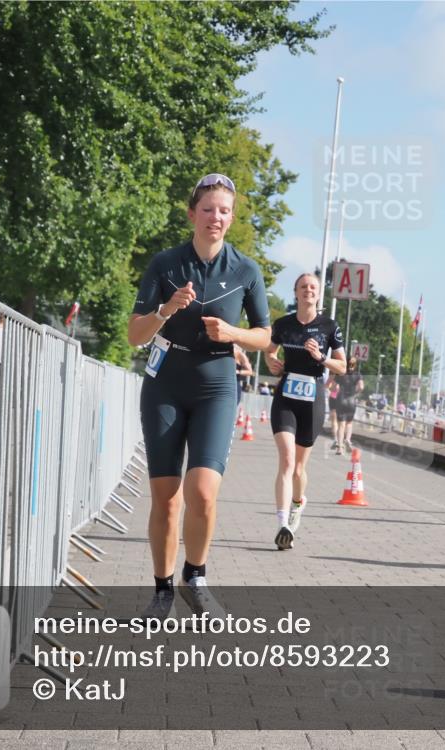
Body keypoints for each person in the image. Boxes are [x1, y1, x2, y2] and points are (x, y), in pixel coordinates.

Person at [127, 173, 271, 619]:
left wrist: (233, 333)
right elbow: (135, 335)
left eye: (224, 210)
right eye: (208, 209)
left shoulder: (245, 270)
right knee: (166, 497)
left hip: (216, 385)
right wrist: (166, 310)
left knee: (204, 492)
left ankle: (196, 578)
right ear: (192, 214)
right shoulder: (166, 264)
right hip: (166, 383)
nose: (216, 217)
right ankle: (162, 591)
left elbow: (265, 336)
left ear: (232, 218)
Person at [263, 273, 346, 550]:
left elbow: (342, 366)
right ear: (296, 292)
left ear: (318, 294)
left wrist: (321, 358)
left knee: (299, 468)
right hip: (286, 396)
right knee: (286, 461)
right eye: (303, 286)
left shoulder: (329, 326)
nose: (308, 290)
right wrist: (272, 362)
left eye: (313, 287)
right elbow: (269, 351)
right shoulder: (283, 324)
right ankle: (282, 525)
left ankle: (298, 502)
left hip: (313, 398)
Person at [334, 357, 364, 455]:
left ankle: (339, 447)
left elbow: (335, 387)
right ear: (355, 365)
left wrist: (335, 391)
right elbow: (361, 387)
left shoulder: (340, 373)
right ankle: (347, 439)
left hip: (341, 399)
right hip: (351, 400)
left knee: (341, 425)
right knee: (349, 423)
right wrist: (355, 393)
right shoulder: (358, 375)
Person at [327, 375, 341, 450]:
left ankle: (335, 439)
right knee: (342, 422)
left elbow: (328, 386)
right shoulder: (349, 374)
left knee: (334, 421)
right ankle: (340, 441)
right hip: (344, 398)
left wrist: (331, 387)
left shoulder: (333, 374)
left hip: (334, 397)